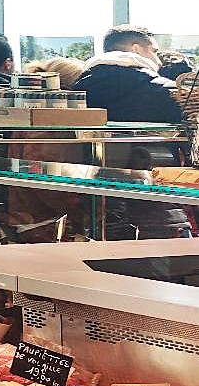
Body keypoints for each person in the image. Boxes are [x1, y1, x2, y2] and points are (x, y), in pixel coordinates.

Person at [75, 26, 191, 239]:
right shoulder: (167, 92)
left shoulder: (76, 90)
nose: (158, 60)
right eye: (154, 51)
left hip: (87, 202)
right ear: (136, 49)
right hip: (150, 201)